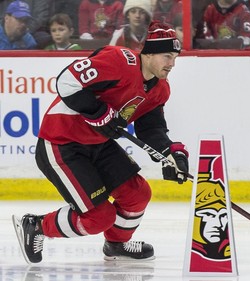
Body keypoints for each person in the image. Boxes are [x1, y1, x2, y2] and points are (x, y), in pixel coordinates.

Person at [12, 21, 189, 264]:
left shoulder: (160, 89)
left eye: (175, 57)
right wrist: (98, 111)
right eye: (167, 56)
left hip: (98, 145)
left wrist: (170, 153)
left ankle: (116, 244)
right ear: (148, 53)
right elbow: (66, 81)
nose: (172, 64)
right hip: (62, 143)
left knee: (138, 194)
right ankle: (37, 226)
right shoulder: (119, 61)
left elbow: (152, 129)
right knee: (99, 217)